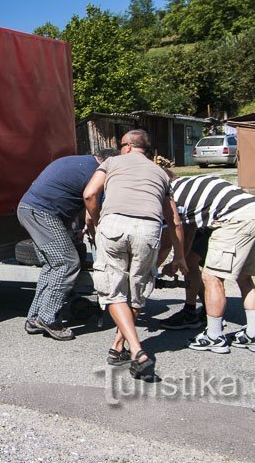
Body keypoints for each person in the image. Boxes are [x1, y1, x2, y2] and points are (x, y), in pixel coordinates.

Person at [83, 130, 187, 380]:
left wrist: (97, 221)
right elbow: (174, 221)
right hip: (148, 229)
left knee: (114, 291)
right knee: (136, 291)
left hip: (114, 225)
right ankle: (118, 347)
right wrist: (179, 256)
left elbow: (89, 194)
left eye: (121, 145)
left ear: (128, 146)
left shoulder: (112, 162)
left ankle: (138, 350)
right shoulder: (161, 174)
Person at [162, 173, 255, 354]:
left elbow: (180, 229)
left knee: (212, 277)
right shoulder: (194, 183)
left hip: (236, 219)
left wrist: (175, 260)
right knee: (244, 278)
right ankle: (254, 334)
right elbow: (189, 231)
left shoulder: (172, 193)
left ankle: (214, 336)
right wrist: (182, 258)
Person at [18, 149, 118, 340]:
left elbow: (71, 197)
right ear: (107, 162)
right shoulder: (96, 171)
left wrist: (76, 229)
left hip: (29, 209)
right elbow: (92, 204)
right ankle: (48, 318)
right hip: (42, 213)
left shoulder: (79, 163)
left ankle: (34, 318)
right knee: (67, 263)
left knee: (52, 266)